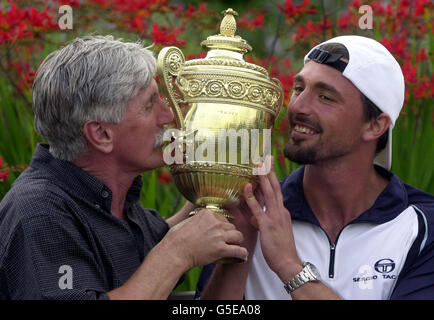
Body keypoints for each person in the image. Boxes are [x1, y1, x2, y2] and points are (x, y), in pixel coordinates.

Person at [0, 35, 247, 300]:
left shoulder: (112, 201)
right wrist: (176, 254)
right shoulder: (40, 213)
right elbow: (167, 253)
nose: (169, 115)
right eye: (150, 104)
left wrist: (220, 193)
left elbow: (160, 245)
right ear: (102, 134)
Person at [197, 35, 434, 300]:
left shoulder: (421, 227)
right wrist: (239, 251)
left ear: (375, 125)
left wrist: (290, 267)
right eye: (299, 88)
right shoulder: (252, 211)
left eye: (325, 97)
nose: (297, 106)